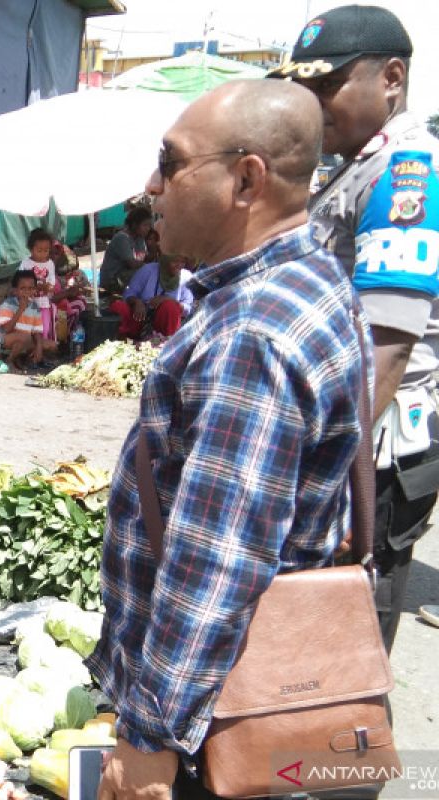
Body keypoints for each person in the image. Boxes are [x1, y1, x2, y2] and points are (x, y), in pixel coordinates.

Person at [89, 81, 366, 800]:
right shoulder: (314, 279)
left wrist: (149, 735)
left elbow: (218, 559)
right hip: (235, 692)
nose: (152, 186)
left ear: (247, 179)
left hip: (208, 723)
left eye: (170, 163)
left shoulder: (252, 333)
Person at [274, 3, 439, 655]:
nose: (310, 104)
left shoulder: (407, 172)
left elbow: (388, 342)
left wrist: (332, 465)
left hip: (377, 451)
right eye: (302, 87)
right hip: (353, 440)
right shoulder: (354, 168)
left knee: (349, 644)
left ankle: (347, 759)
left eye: (326, 85)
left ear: (391, 78)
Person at [108, 254, 194, 341]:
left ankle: (165, 344)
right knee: (118, 306)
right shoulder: (148, 270)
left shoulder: (186, 277)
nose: (179, 265)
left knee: (169, 306)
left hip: (164, 328)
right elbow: (128, 293)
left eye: (182, 262)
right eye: (175, 261)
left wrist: (167, 299)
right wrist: (136, 301)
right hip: (140, 318)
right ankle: (121, 341)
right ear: (165, 260)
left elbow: (188, 308)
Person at [17, 228, 59, 359]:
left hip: (44, 304)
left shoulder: (50, 264)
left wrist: (48, 287)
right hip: (29, 305)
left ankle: (42, 353)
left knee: (44, 329)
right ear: (31, 249)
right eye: (39, 250)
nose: (42, 254)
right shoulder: (26, 263)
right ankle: (29, 352)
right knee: (29, 329)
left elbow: (52, 283)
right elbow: (19, 282)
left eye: (46, 251)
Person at [0, 270, 47, 371]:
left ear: (35, 290)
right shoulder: (7, 304)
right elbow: (6, 329)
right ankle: (9, 360)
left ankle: (24, 359)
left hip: (25, 340)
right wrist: (20, 309)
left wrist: (39, 347)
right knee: (24, 338)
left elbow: (36, 332)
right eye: (23, 288)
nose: (27, 292)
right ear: (15, 290)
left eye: (31, 288)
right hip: (4, 340)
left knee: (51, 345)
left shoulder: (34, 306)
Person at [99, 207, 153, 297]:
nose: (148, 228)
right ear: (134, 224)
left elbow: (143, 258)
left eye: (149, 225)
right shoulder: (122, 238)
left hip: (126, 276)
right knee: (145, 274)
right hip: (112, 280)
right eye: (145, 225)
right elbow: (132, 264)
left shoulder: (140, 239)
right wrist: (149, 267)